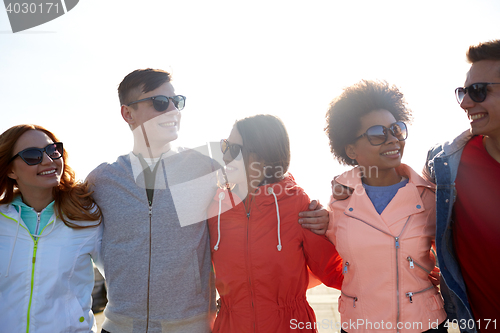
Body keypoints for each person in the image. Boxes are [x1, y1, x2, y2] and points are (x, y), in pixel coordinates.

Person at [86, 68, 329, 333]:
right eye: (159, 103)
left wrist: (319, 213)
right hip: (120, 327)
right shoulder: (102, 180)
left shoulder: (207, 170)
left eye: (176, 102)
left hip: (191, 327)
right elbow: (71, 232)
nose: (172, 110)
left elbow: (269, 197)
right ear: (127, 114)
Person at [325, 80, 447, 333]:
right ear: (350, 149)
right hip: (360, 326)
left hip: (424, 325)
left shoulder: (428, 197)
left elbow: (455, 256)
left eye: (396, 129)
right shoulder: (337, 202)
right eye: (378, 133)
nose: (392, 139)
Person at [207, 114, 343, 333]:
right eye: (225, 146)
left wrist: (339, 222)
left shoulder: (296, 204)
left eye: (234, 149)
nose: (225, 157)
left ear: (262, 155)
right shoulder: (215, 209)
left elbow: (335, 271)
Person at [423, 40, 500, 333]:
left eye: (478, 91)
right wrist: (347, 191)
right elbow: (401, 198)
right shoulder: (446, 164)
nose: (466, 103)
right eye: (463, 92)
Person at [0, 124, 103, 332]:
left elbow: (121, 279)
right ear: (10, 170)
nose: (48, 160)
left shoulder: (87, 217)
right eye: (32, 155)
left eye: (52, 150)